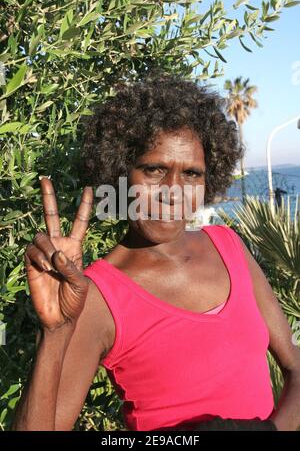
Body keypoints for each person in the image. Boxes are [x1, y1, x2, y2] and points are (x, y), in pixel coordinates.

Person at [12, 72, 300, 431]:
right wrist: (54, 334)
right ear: (119, 171)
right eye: (154, 169)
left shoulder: (230, 247)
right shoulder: (98, 295)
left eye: (192, 174)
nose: (173, 191)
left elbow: (296, 368)